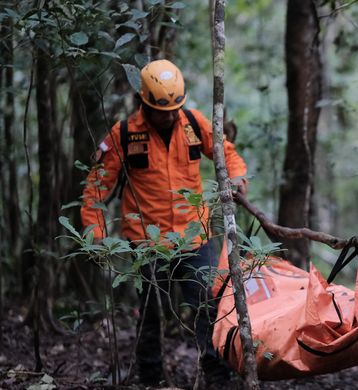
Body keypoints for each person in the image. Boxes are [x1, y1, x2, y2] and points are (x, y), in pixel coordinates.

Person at [80, 59, 247, 386]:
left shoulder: (194, 123)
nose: (169, 115)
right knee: (151, 315)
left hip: (194, 237)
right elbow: (96, 187)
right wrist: (95, 231)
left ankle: (217, 377)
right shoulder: (125, 134)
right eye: (161, 110)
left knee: (207, 305)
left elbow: (227, 154)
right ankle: (151, 378)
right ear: (144, 102)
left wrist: (238, 178)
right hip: (146, 242)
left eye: (174, 108)